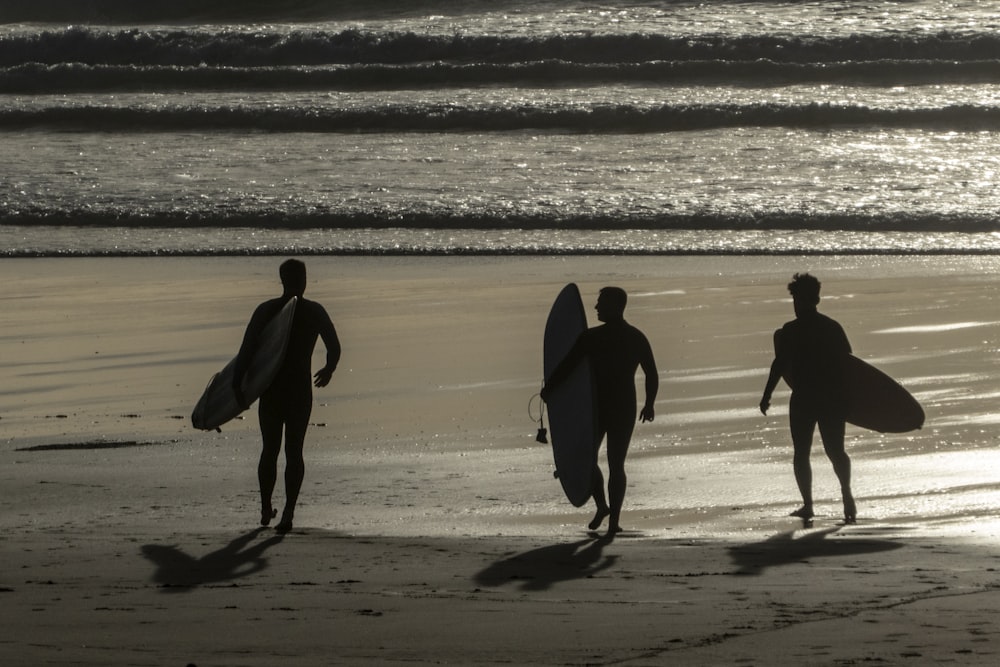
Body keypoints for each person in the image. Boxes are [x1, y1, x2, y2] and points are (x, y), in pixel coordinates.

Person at [233, 259, 341, 533]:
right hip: (298, 392)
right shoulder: (314, 311)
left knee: (270, 450)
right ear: (304, 280)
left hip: (271, 390)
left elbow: (246, 351)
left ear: (282, 280)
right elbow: (334, 347)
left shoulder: (267, 310)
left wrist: (237, 384)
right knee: (294, 452)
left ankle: (266, 507)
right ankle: (288, 512)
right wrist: (329, 369)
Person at [541, 287, 658, 537]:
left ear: (615, 306)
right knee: (616, 464)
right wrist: (649, 404)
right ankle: (610, 516)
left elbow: (566, 368)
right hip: (624, 405)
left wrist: (549, 389)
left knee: (589, 459)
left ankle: (606, 510)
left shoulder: (591, 338)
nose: (595, 308)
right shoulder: (636, 336)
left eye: (600, 303)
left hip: (597, 407)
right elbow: (652, 373)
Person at [760, 273, 856, 524]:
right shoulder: (832, 327)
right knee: (835, 450)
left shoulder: (791, 331)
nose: (796, 303)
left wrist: (767, 394)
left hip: (805, 398)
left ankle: (809, 505)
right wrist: (849, 399)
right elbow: (849, 363)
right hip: (832, 397)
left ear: (803, 300)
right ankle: (845, 495)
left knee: (803, 452)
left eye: (797, 299)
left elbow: (779, 365)